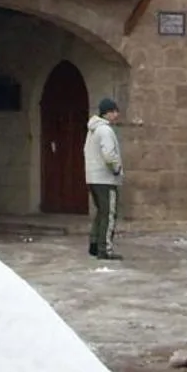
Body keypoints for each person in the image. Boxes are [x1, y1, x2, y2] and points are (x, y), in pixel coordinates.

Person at [84, 97, 124, 259]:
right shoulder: (105, 130)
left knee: (101, 212)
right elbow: (109, 154)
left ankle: (94, 244)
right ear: (107, 113)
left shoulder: (92, 130)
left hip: (93, 177)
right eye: (114, 111)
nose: (116, 115)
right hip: (105, 179)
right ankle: (104, 249)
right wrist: (116, 168)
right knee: (108, 213)